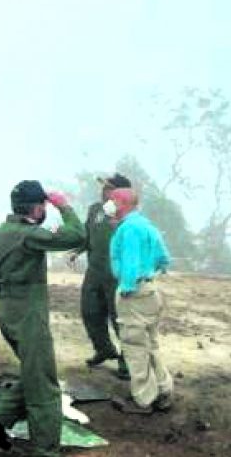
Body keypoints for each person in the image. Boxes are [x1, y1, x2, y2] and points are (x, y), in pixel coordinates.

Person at [0, 180, 86, 456]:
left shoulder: (0, 233)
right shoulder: (30, 234)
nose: (45, 209)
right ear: (37, 207)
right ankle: (45, 450)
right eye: (44, 205)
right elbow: (77, 235)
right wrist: (64, 206)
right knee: (45, 390)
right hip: (29, 316)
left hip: (8, 310)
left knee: (35, 373)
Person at [109, 187, 174, 415]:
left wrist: (127, 286)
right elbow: (164, 258)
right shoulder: (146, 225)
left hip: (134, 292)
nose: (109, 205)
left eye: (112, 201)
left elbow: (130, 261)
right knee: (151, 343)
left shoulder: (130, 229)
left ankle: (144, 399)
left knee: (134, 345)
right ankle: (163, 390)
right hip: (151, 290)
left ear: (122, 203)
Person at [68, 173, 131, 380]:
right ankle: (104, 349)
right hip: (94, 271)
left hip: (118, 275)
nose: (103, 191)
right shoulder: (96, 209)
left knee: (120, 318)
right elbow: (88, 235)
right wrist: (77, 250)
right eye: (103, 187)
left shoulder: (128, 215)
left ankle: (128, 361)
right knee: (90, 311)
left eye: (109, 188)